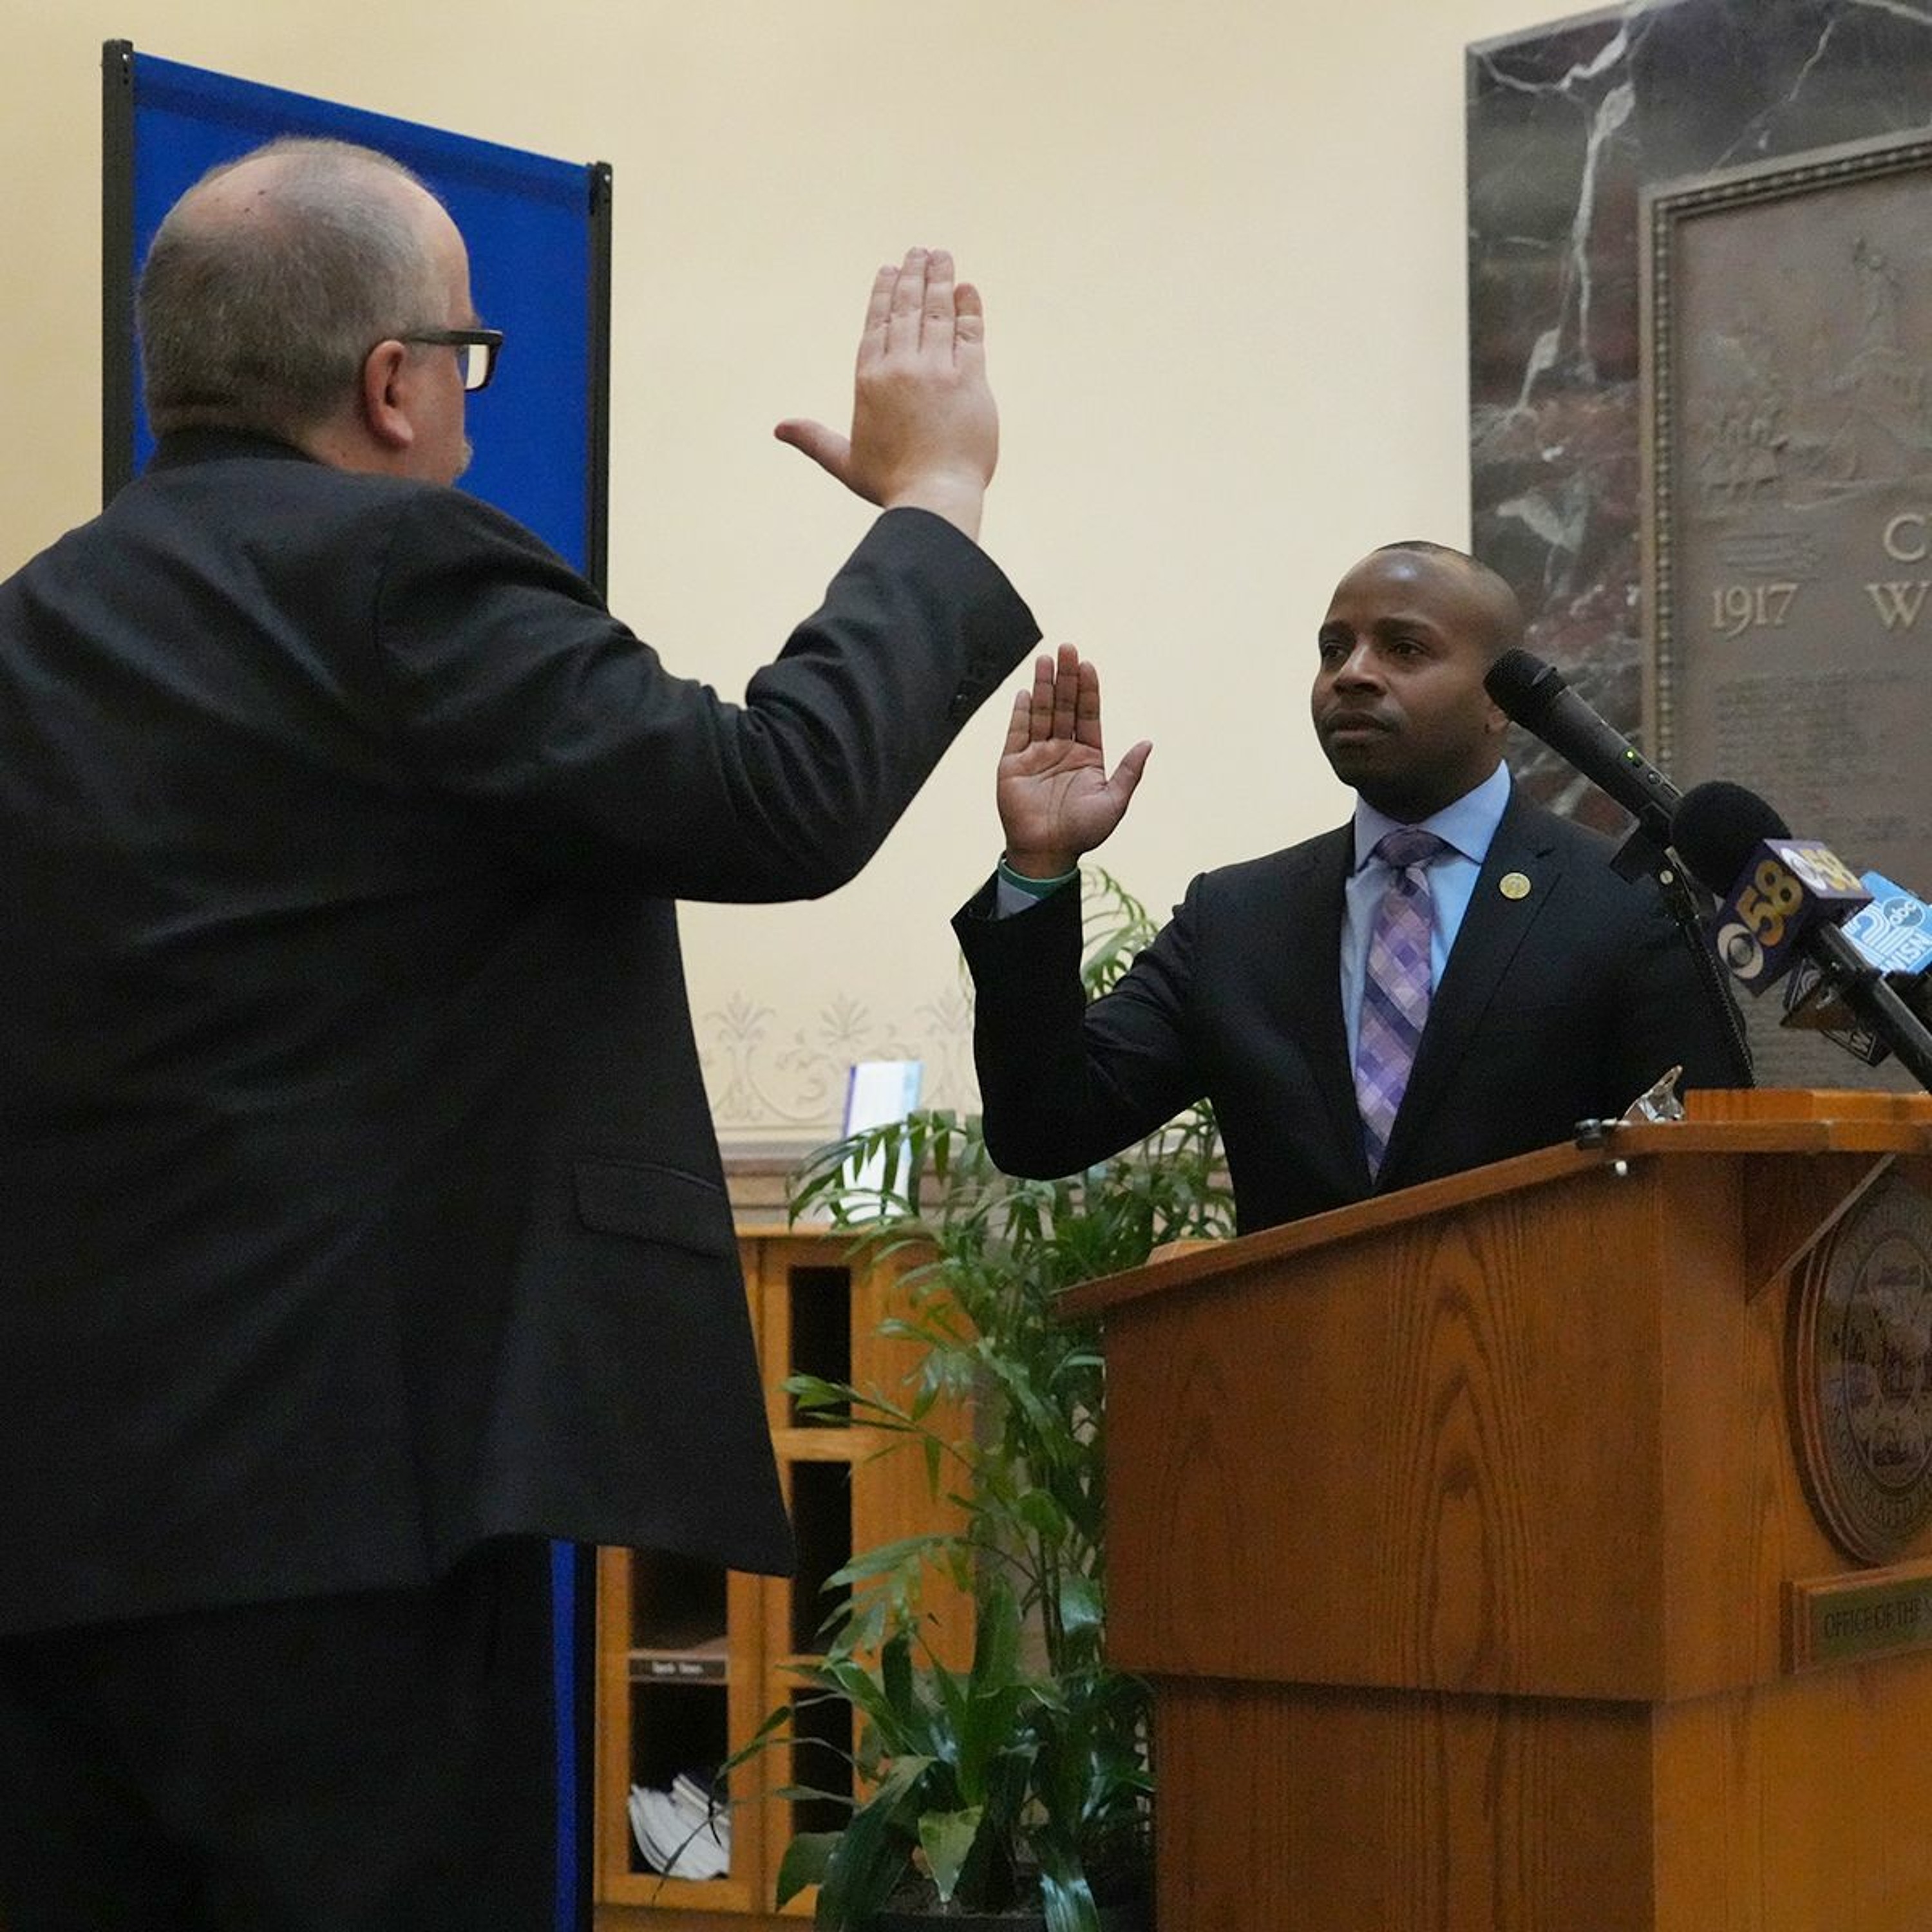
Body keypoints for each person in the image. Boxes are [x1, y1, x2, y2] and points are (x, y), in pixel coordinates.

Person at [0, 138, 1040, 1931]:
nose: (472, 418)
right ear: (392, 384)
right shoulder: (398, 569)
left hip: (54, 1518)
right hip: (344, 1516)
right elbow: (774, 797)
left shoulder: (37, 623)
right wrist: (931, 502)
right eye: (469, 360)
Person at [954, 541, 1747, 1233]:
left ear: (1499, 702)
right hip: (1303, 1354)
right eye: (1335, 650)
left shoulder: (1626, 905)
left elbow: (1707, 1189)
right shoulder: (1236, 921)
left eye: (1404, 649)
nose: (1354, 674)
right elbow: (1045, 1131)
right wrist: (1039, 865)